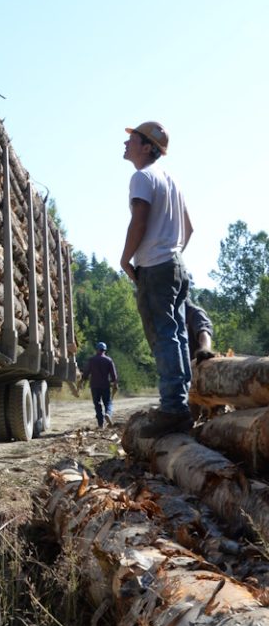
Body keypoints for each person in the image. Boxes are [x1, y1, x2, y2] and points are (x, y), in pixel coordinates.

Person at [120, 121, 194, 436]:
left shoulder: (142, 177)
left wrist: (127, 259)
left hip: (156, 268)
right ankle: (182, 404)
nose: (126, 143)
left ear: (147, 146)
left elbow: (139, 220)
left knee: (164, 337)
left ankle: (173, 409)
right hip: (176, 265)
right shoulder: (171, 181)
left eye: (132, 139)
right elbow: (189, 229)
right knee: (177, 335)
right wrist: (171, 252)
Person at [83, 341, 119, 429]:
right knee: (108, 402)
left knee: (97, 404)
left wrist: (83, 379)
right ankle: (108, 414)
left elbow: (86, 373)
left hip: (94, 386)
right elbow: (114, 375)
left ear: (97, 350)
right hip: (105, 385)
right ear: (105, 350)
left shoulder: (91, 360)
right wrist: (115, 383)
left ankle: (100, 424)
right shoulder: (108, 360)